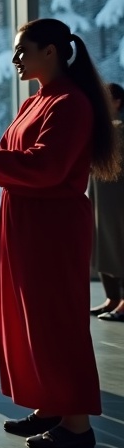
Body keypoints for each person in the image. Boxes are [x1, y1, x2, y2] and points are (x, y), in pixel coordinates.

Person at [0, 18, 121, 448]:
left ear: (50, 51)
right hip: (28, 219)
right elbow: (16, 152)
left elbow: (46, 166)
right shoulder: (38, 100)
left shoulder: (69, 102)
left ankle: (76, 425)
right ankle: (49, 404)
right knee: (30, 318)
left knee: (57, 321)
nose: (15, 58)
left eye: (22, 50)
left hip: (53, 225)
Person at [93, 83, 124, 320]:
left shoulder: (120, 126)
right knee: (103, 244)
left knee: (118, 243)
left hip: (118, 197)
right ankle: (112, 298)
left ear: (117, 102)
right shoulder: (102, 126)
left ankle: (123, 302)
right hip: (101, 195)